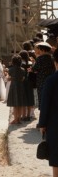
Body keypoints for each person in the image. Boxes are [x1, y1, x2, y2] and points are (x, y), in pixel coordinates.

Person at [38, 49, 58, 177]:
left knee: (56, 158)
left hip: (55, 124)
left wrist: (42, 124)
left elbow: (44, 104)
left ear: (55, 62)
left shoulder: (51, 80)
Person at [30, 42, 55, 110]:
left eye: (38, 49)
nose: (37, 51)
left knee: (42, 98)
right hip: (51, 81)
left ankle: (43, 116)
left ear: (42, 50)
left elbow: (34, 69)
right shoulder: (52, 58)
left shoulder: (40, 58)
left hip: (41, 81)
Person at [7, 55, 25, 124]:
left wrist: (12, 78)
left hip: (13, 86)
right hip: (20, 86)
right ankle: (19, 119)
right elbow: (22, 79)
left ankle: (15, 119)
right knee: (20, 104)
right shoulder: (22, 70)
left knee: (15, 105)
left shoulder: (11, 69)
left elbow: (8, 78)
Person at [20, 50, 35, 121]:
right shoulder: (30, 63)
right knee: (29, 99)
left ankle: (23, 115)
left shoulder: (20, 64)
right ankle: (28, 115)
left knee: (23, 99)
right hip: (30, 83)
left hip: (23, 83)